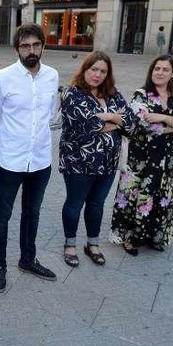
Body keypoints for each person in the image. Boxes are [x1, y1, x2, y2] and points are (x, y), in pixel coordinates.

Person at [0, 23, 60, 291]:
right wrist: (7, 144)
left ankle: (28, 259)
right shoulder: (2, 79)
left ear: (43, 46)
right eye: (25, 46)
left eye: (36, 45)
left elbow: (50, 114)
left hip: (40, 160)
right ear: (17, 48)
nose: (31, 50)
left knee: (33, 213)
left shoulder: (52, 76)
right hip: (10, 161)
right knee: (2, 215)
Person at [59, 52, 136, 267]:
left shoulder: (113, 94)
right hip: (78, 163)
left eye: (103, 71)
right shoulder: (72, 94)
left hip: (108, 163)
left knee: (96, 205)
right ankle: (70, 244)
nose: (97, 75)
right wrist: (115, 118)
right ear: (84, 69)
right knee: (74, 205)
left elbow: (131, 122)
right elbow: (85, 128)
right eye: (94, 69)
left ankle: (92, 244)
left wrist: (107, 119)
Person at [111, 55, 173, 254]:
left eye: (165, 69)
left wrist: (162, 117)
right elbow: (141, 125)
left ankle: (154, 237)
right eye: (157, 68)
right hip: (142, 157)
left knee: (162, 195)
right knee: (135, 195)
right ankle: (129, 238)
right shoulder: (141, 95)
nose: (160, 72)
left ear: (172, 73)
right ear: (151, 70)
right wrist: (172, 127)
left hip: (168, 158)